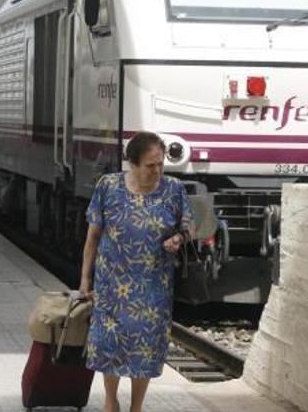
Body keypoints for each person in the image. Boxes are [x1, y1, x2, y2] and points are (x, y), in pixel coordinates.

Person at [79, 132, 194, 412]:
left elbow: (189, 228)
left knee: (145, 347)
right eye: (150, 165)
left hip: (153, 285)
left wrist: (178, 239)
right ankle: (110, 400)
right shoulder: (109, 186)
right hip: (111, 283)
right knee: (109, 343)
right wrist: (85, 279)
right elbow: (93, 235)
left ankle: (136, 407)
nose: (157, 171)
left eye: (160, 164)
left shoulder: (174, 189)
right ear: (131, 163)